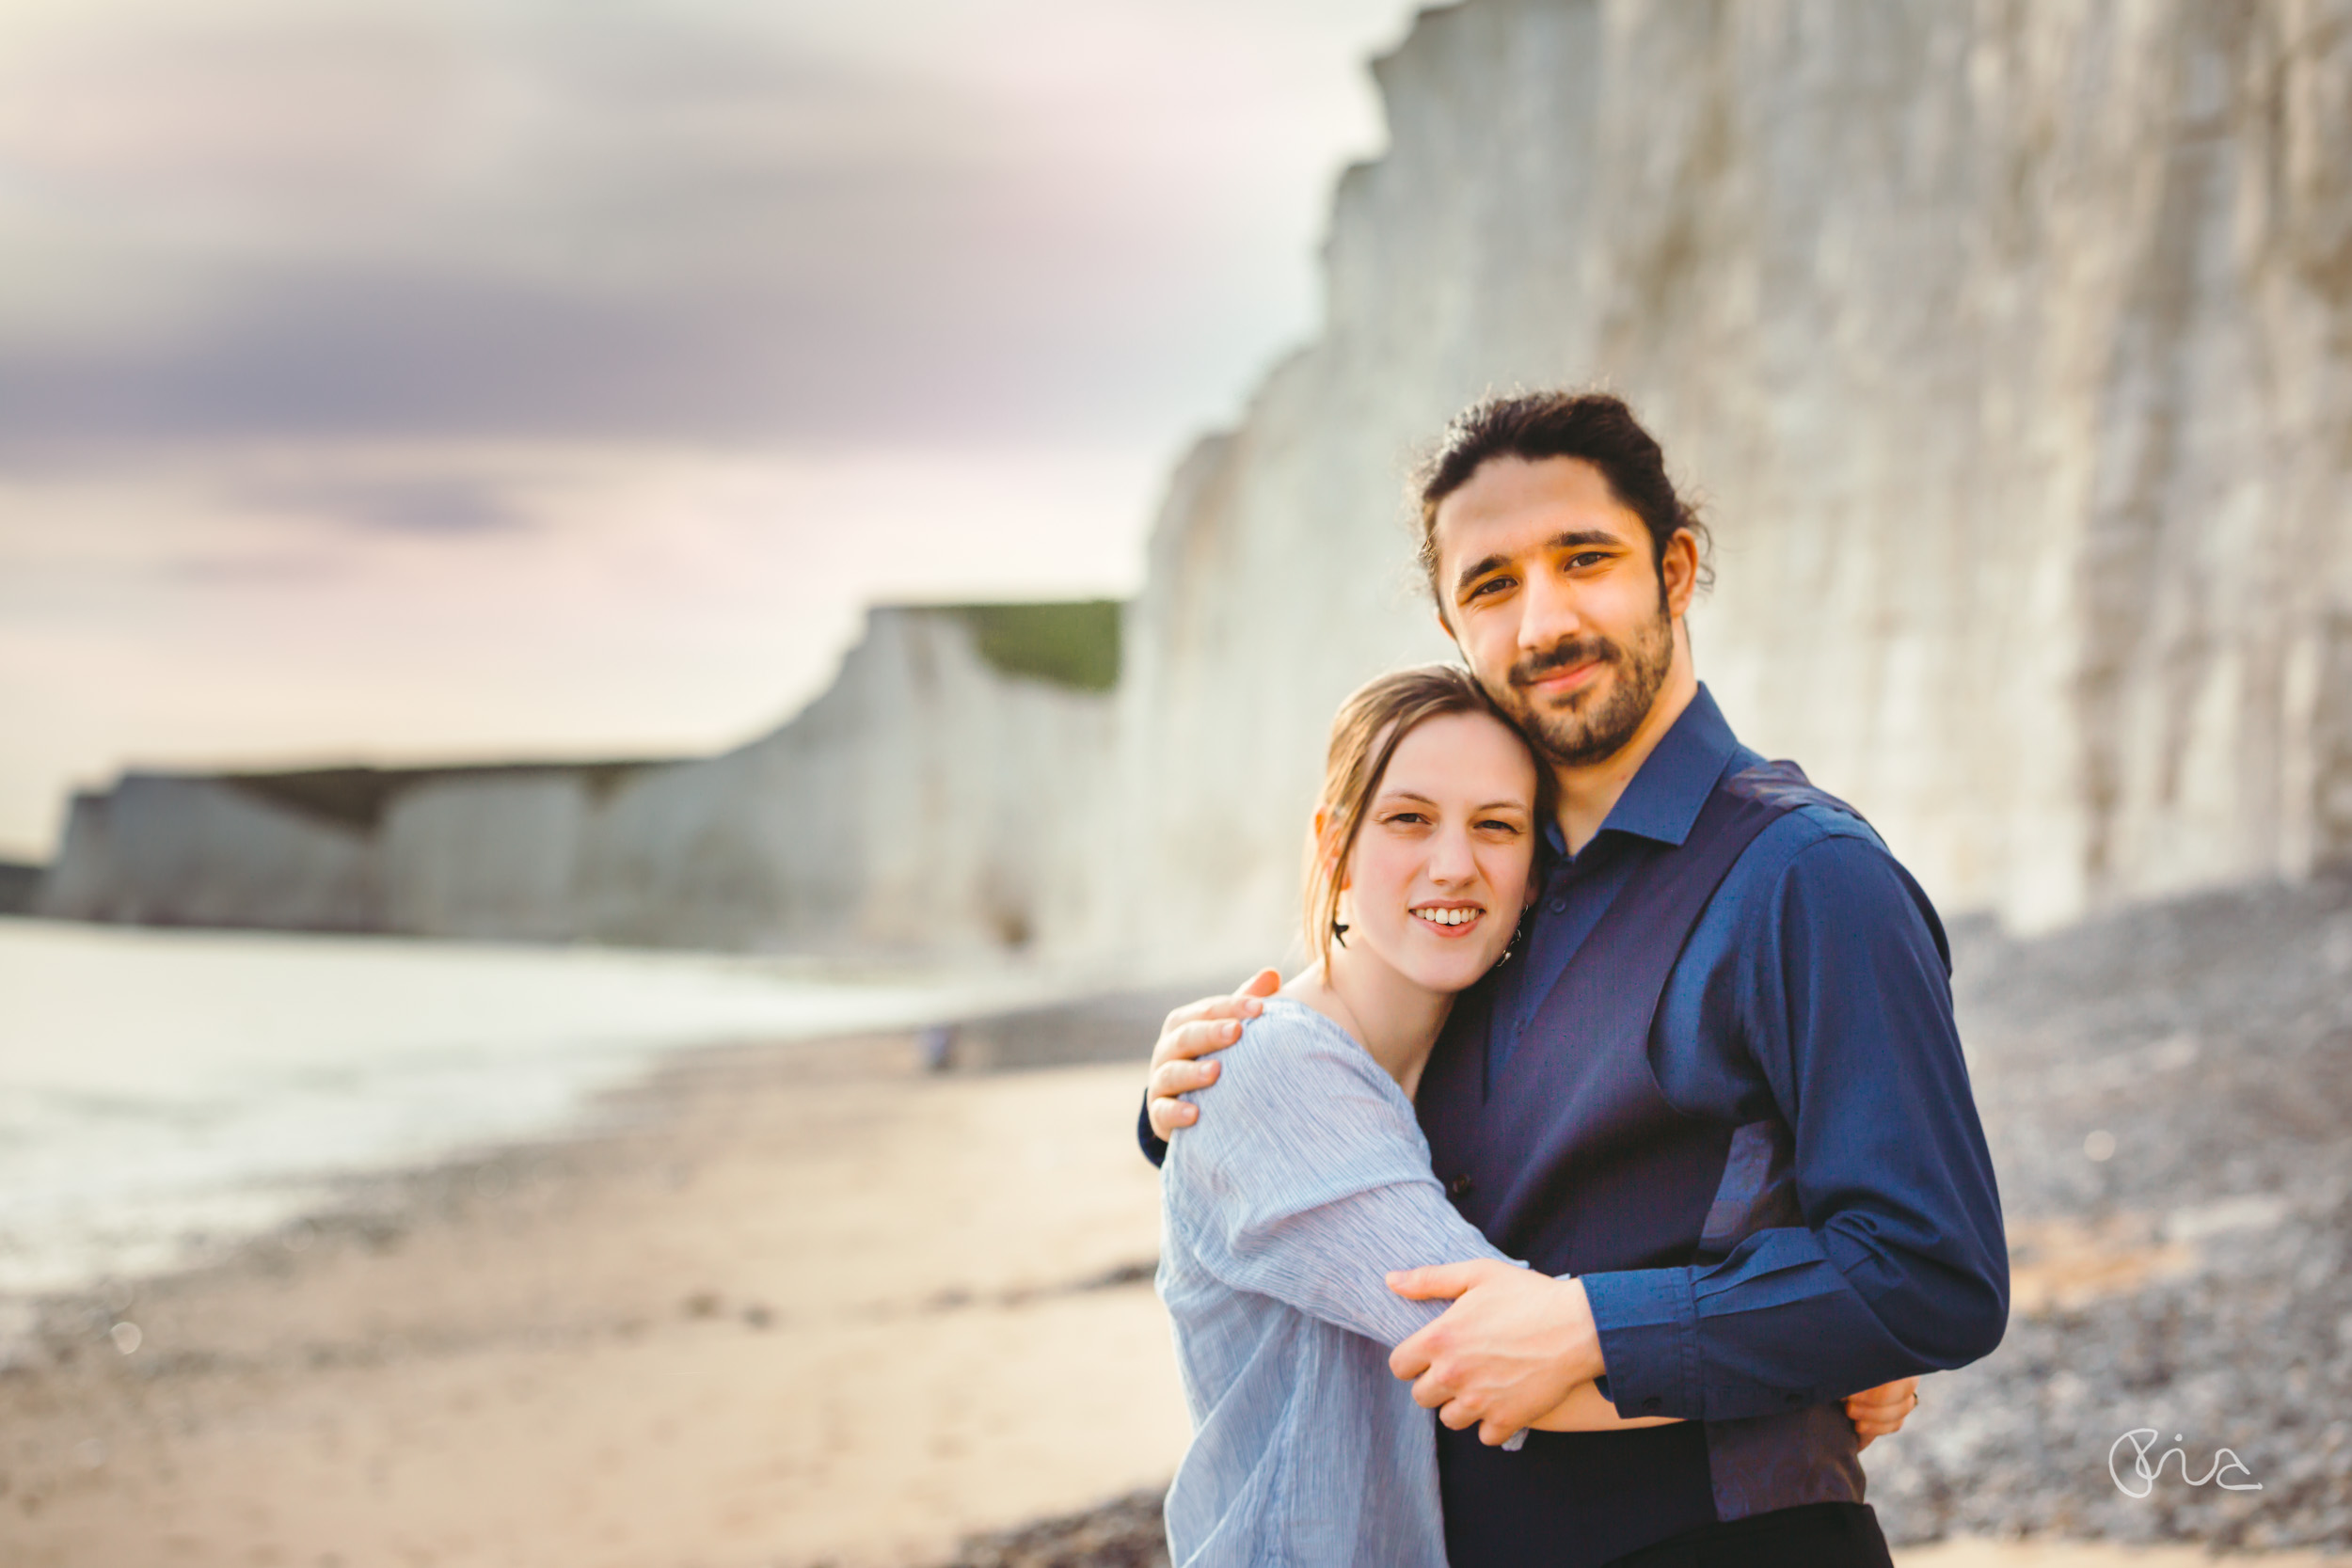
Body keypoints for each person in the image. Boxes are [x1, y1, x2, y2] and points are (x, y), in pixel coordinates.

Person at [1142, 391, 2007, 1567]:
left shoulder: (1805, 876)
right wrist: (1178, 1108)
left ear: (1676, 568)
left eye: (1584, 558)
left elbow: (1929, 1268)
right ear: (1454, 625)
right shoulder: (1490, 897)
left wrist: (1617, 1327)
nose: (1543, 618)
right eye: (1491, 583)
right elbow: (1354, 1112)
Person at [1159, 664, 1678, 1568]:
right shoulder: (1267, 1064)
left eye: (1496, 825)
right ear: (1334, 845)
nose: (1454, 863)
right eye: (1408, 818)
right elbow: (1500, 1355)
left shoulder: (1479, 1079)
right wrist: (1824, 1355)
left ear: (1532, 869)